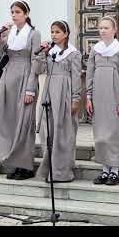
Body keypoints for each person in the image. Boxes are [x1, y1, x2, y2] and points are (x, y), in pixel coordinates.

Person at [0, 0, 41, 180]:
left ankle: (26, 166)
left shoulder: (34, 34)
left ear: (26, 14)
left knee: (24, 122)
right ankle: (14, 163)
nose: (14, 15)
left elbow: (36, 61)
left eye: (18, 12)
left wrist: (30, 89)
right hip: (8, 77)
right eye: (12, 12)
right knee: (10, 121)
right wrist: (1, 37)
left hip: (25, 76)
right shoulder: (9, 34)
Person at [86, 16, 119, 186]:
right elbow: (89, 74)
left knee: (114, 132)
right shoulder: (95, 50)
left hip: (114, 96)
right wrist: (88, 97)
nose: (103, 31)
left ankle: (114, 171)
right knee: (100, 134)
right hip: (98, 96)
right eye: (100, 28)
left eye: (106, 28)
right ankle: (104, 170)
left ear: (114, 30)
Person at [35, 21, 83, 183]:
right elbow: (39, 70)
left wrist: (75, 99)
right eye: (52, 32)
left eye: (57, 32)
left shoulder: (73, 53)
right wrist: (42, 53)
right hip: (49, 92)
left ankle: (62, 172)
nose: (54, 35)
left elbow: (76, 77)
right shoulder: (49, 52)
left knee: (63, 132)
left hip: (64, 93)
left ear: (66, 34)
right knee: (47, 131)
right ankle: (49, 168)